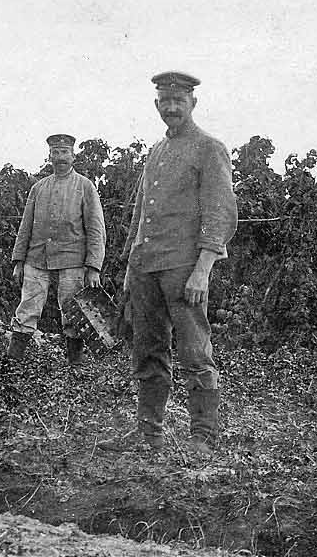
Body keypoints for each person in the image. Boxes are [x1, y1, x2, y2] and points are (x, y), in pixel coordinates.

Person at [101, 71, 237, 457]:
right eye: (165, 101)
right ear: (156, 105)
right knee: (148, 349)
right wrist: (131, 266)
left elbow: (220, 212)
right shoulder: (156, 153)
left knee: (195, 351)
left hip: (184, 268)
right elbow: (141, 214)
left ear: (194, 103)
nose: (172, 108)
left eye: (179, 101)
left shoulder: (209, 148)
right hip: (147, 267)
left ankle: (203, 437)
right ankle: (149, 434)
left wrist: (203, 268)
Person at [6, 133, 106, 364]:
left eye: (64, 152)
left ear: (73, 156)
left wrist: (93, 267)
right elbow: (26, 225)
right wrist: (19, 261)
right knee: (27, 307)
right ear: (49, 156)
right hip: (36, 258)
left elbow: (96, 229)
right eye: (55, 153)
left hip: (72, 260)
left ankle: (75, 366)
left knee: (72, 311)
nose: (60, 157)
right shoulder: (38, 188)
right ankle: (12, 364)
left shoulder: (85, 187)